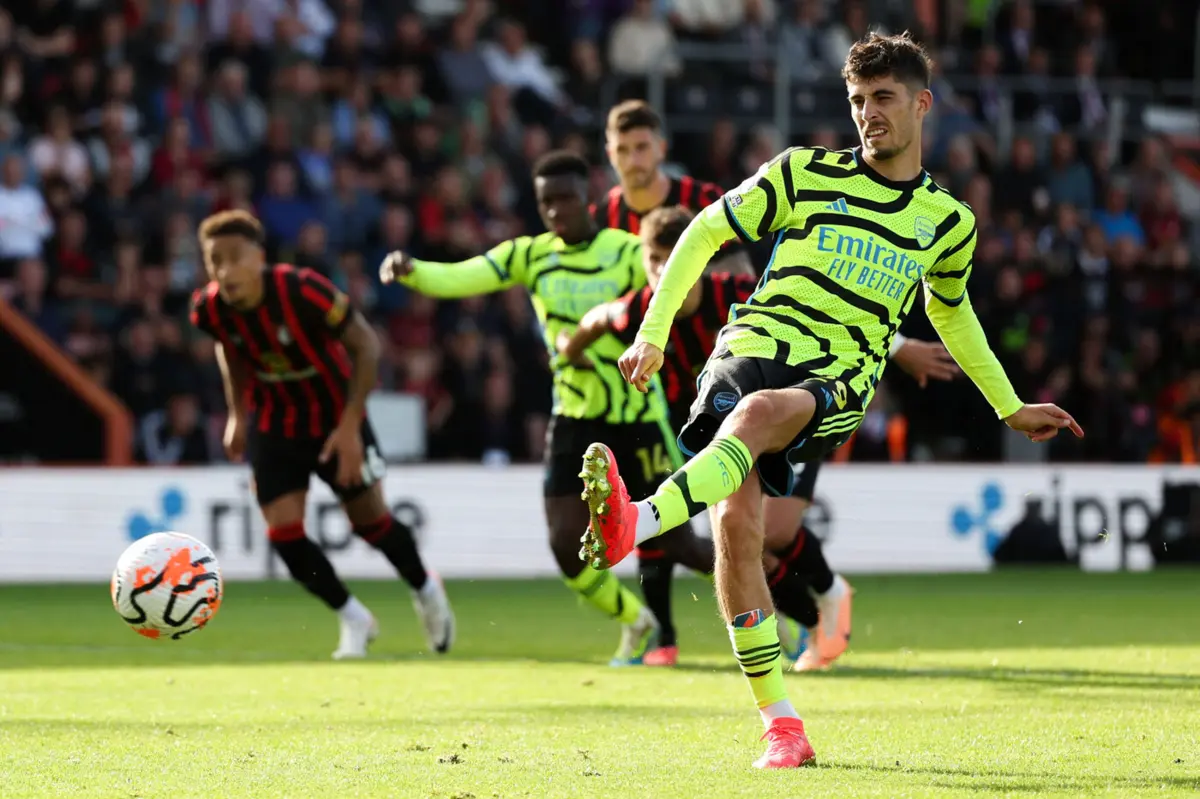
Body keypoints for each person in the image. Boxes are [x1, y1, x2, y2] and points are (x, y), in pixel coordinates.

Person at [579, 33, 1084, 769]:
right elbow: (705, 229)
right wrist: (654, 331)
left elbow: (952, 312)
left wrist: (1006, 404)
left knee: (753, 428)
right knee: (737, 527)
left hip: (840, 374)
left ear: (921, 103)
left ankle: (639, 519)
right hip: (749, 344)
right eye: (856, 101)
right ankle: (782, 725)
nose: (868, 114)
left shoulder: (947, 221)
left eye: (882, 98)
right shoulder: (802, 173)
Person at [561, 205, 960, 669]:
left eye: (671, 262)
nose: (660, 272)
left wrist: (901, 347)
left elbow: (824, 307)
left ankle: (830, 594)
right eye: (653, 261)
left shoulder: (734, 292)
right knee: (739, 537)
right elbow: (593, 322)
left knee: (776, 532)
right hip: (719, 431)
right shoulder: (639, 312)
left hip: (794, 400)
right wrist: (567, 351)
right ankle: (769, 641)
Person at [379, 150, 709, 665]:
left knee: (683, 545)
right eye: (546, 202)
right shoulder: (529, 255)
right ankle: (635, 620)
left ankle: (778, 593)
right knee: (563, 544)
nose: (556, 210)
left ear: (588, 198)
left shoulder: (626, 251)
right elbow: (463, 276)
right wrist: (414, 271)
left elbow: (675, 290)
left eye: (565, 199)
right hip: (574, 416)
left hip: (637, 417)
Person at [189, 210, 455, 660]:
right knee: (284, 534)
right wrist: (238, 414)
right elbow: (229, 350)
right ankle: (354, 617)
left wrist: (351, 428)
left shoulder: (303, 289)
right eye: (215, 260)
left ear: (260, 258)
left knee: (371, 523)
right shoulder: (210, 308)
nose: (225, 271)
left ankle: (427, 589)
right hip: (275, 423)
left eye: (235, 258)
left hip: (336, 419)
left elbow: (366, 345)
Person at [593, 100, 752, 665]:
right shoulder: (604, 217)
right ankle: (660, 637)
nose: (634, 160)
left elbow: (753, 279)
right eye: (622, 149)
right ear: (609, 155)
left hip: (721, 383)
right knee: (648, 512)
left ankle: (809, 604)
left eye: (643, 147)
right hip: (639, 390)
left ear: (661, 148)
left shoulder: (704, 202)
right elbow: (601, 299)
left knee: (736, 522)